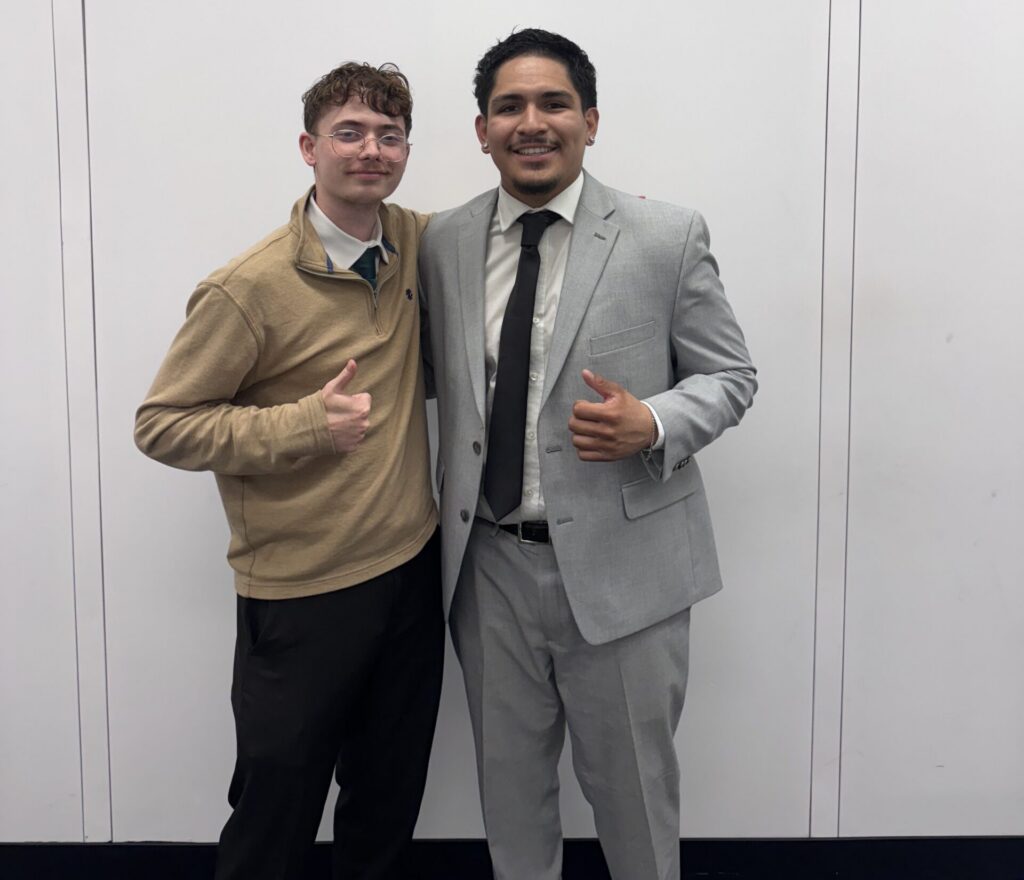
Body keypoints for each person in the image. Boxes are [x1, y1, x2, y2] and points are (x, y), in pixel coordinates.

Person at [418, 29, 757, 880]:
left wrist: (656, 421)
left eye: (554, 103)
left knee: (635, 800)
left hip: (625, 568)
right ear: (483, 130)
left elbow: (731, 375)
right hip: (487, 569)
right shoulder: (443, 242)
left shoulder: (665, 234)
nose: (532, 122)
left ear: (591, 120)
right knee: (510, 800)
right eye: (509, 107)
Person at [135, 62, 441, 880]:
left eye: (389, 135)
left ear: (406, 151)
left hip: (410, 570)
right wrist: (304, 425)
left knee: (386, 800)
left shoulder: (417, 241)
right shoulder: (247, 286)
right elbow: (162, 425)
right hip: (301, 591)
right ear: (309, 148)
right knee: (277, 810)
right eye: (349, 132)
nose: (371, 150)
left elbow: (501, 236)